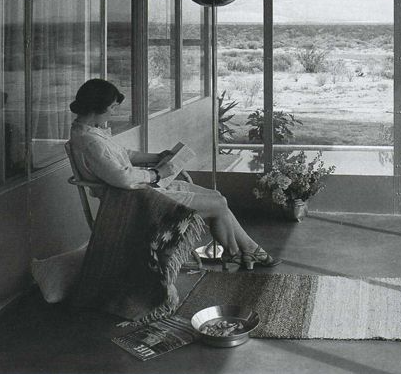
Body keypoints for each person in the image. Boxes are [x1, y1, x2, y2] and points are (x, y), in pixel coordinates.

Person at [68, 78, 280, 271]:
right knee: (218, 204)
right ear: (97, 107)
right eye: (113, 107)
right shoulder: (91, 142)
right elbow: (122, 178)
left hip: (139, 192)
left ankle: (243, 251)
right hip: (133, 201)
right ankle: (238, 254)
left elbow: (124, 155)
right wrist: (157, 174)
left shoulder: (90, 133)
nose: (114, 112)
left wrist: (158, 156)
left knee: (217, 198)